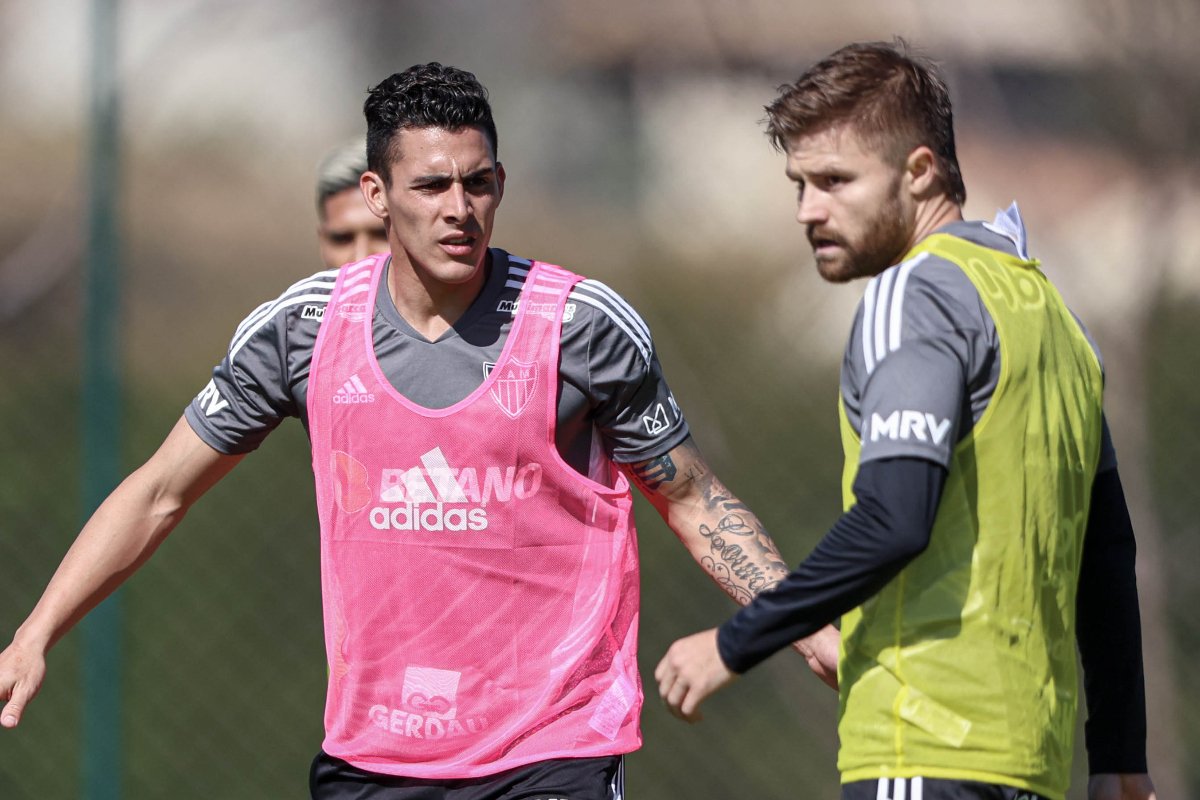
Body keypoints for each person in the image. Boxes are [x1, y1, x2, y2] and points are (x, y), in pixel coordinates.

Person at [0, 63, 837, 799]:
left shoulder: (579, 327)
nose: (459, 209)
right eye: (431, 187)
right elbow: (157, 492)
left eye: (477, 184)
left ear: (501, 185)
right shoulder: (302, 332)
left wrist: (799, 623)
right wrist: (35, 634)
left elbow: (693, 498)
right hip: (377, 753)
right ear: (377, 195)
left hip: (551, 746)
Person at [654, 40, 1157, 800]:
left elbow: (895, 517)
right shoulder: (1053, 318)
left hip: (920, 746)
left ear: (919, 172)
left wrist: (737, 642)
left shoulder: (913, 295)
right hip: (1031, 764)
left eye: (834, 181)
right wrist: (1120, 753)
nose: (807, 211)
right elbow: (1107, 555)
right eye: (799, 184)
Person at [316, 137, 389, 269]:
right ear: (323, 243)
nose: (360, 258)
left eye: (384, 235)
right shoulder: (304, 290)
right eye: (342, 239)